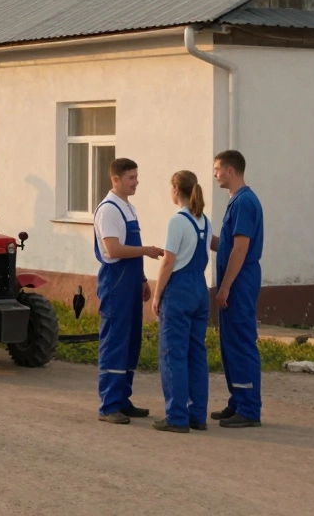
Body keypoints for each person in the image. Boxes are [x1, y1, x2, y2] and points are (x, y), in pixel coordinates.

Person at [94, 157, 165, 425]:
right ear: (116, 180)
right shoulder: (109, 210)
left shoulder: (128, 208)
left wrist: (143, 279)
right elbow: (113, 249)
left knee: (131, 341)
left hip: (131, 282)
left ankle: (123, 399)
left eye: (136, 177)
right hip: (115, 283)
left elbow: (131, 248)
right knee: (115, 343)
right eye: (131, 178)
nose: (136, 182)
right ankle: (109, 405)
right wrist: (147, 251)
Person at [150, 170, 211, 433]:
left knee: (173, 353)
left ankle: (176, 416)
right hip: (200, 287)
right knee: (196, 353)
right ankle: (197, 414)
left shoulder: (177, 221)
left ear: (176, 189)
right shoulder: (204, 220)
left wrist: (157, 294)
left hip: (180, 290)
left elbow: (168, 261)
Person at [211, 150, 264, 428]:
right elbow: (229, 245)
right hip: (236, 280)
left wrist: (225, 288)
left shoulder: (244, 202)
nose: (215, 174)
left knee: (241, 341)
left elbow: (240, 249)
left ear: (231, 171)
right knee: (230, 342)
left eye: (218, 168)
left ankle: (249, 408)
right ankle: (238, 400)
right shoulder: (236, 202)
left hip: (240, 282)